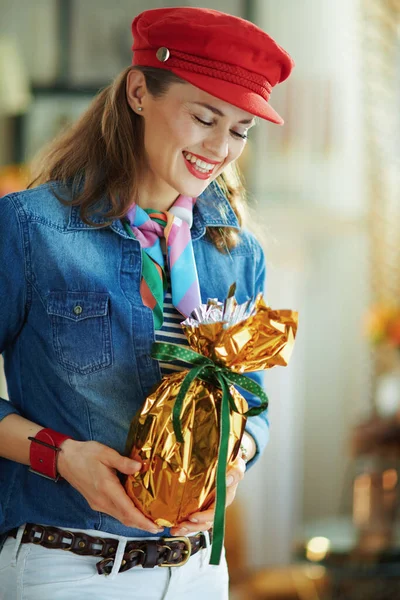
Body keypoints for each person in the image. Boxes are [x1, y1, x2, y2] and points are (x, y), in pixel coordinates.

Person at [0, 6, 294, 599]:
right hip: (68, 569)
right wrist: (59, 456)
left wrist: (233, 467)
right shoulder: (29, 229)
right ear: (139, 91)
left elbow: (252, 407)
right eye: (205, 117)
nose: (221, 147)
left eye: (239, 129)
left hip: (199, 575)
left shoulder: (238, 253)